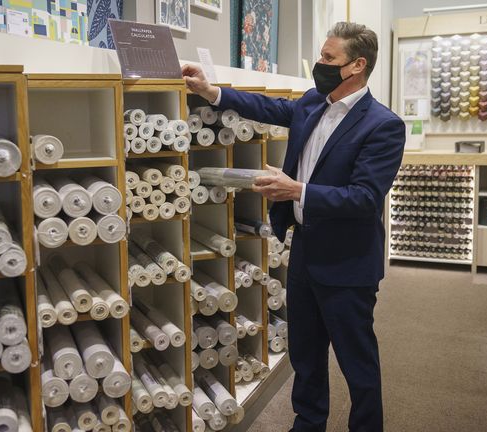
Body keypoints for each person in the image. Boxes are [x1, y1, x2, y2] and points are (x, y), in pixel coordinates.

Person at [182, 22, 405, 432]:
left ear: (357, 65)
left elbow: (365, 198)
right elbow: (266, 109)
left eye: (328, 58)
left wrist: (297, 190)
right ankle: (308, 422)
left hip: (348, 262)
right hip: (304, 253)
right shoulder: (312, 103)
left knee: (357, 361)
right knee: (305, 352)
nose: (319, 64)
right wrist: (210, 91)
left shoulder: (383, 125)